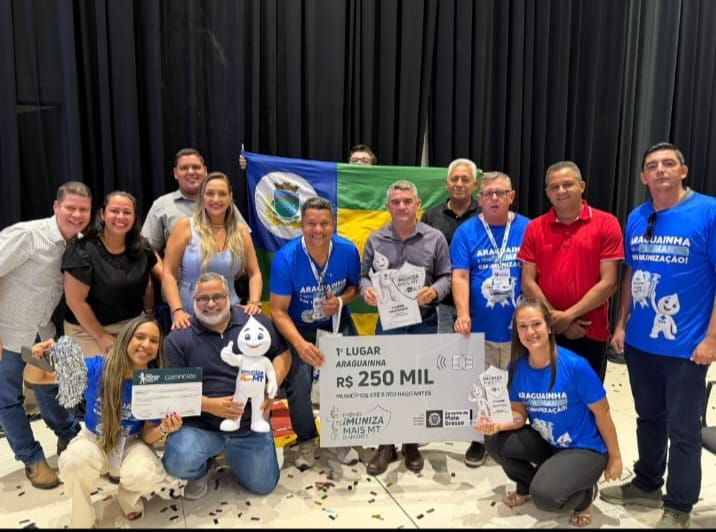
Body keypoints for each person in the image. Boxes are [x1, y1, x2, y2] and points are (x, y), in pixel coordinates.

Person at [600, 142, 716, 529]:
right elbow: (632, 274)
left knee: (683, 429)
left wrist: (712, 338)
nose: (660, 170)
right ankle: (647, 483)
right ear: (643, 176)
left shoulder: (708, 212)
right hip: (640, 343)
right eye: (652, 166)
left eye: (669, 163)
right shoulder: (638, 216)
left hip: (687, 347)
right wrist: (621, 324)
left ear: (683, 171)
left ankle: (679, 506)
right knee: (648, 418)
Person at [476, 297, 622, 527]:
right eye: (523, 326)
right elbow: (519, 415)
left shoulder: (575, 366)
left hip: (585, 448)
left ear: (549, 327)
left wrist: (615, 457)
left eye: (536, 324)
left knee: (545, 497)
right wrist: (498, 424)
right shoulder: (516, 367)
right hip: (549, 442)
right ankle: (527, 485)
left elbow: (603, 413)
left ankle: (585, 497)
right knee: (494, 441)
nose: (530, 332)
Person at [24, 316, 183, 527]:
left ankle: (128, 499)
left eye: (154, 341)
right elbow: (37, 378)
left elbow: (147, 435)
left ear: (157, 349)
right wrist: (36, 359)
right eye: (140, 337)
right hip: (94, 437)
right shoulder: (97, 367)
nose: (146, 344)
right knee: (73, 463)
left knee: (145, 473)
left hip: (130, 441)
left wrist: (163, 428)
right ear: (126, 339)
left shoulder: (154, 382)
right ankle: (82, 517)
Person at [162, 272, 291, 498]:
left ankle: (240, 453)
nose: (211, 304)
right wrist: (210, 405)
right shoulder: (178, 337)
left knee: (264, 485)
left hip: (249, 425)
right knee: (178, 460)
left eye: (218, 297)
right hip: (201, 426)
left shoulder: (255, 321)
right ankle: (202, 469)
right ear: (193, 301)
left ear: (229, 296)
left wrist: (272, 385)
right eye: (203, 298)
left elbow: (283, 354)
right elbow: (174, 391)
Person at [0, 181, 91, 489]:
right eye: (70, 208)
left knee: (51, 389)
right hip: (8, 335)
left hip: (42, 335)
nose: (76, 215)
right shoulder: (27, 235)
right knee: (8, 400)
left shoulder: (79, 243)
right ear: (56, 207)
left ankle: (68, 437)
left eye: (83, 209)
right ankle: (32, 460)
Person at [359, 180, 452, 475]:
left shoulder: (435, 238)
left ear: (418, 205)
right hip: (388, 324)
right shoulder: (375, 240)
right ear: (388, 206)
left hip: (424, 321)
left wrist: (434, 291)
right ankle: (386, 444)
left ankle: (411, 442)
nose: (402, 206)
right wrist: (366, 291)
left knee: (417, 383)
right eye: (396, 202)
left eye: (407, 201)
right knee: (387, 383)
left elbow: (447, 276)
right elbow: (363, 277)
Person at [269, 197, 361, 468]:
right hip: (298, 328)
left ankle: (340, 436)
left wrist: (341, 301)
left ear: (333, 224)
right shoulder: (286, 258)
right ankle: (306, 439)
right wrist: (300, 345)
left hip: (337, 323)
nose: (318, 230)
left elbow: (355, 287)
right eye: (311, 223)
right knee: (299, 383)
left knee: (347, 379)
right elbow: (278, 311)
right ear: (301, 225)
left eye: (324, 223)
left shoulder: (348, 250)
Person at [517, 161, 624, 382]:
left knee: (588, 397)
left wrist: (567, 317)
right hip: (545, 331)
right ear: (547, 192)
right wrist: (555, 320)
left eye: (567, 184)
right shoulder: (534, 227)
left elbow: (609, 283)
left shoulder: (606, 223)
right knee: (546, 396)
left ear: (581, 186)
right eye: (554, 187)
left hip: (590, 331)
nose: (561, 191)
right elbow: (527, 281)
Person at [451, 170, 530, 468]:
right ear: (479, 198)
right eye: (487, 194)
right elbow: (460, 275)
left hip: (519, 329)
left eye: (500, 193)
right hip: (480, 327)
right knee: (481, 385)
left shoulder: (528, 228)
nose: (494, 198)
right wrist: (462, 313)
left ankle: (516, 436)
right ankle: (480, 438)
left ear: (511, 196)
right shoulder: (466, 232)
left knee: (516, 383)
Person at [62, 191, 161, 357]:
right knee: (104, 371)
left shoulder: (142, 247)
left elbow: (147, 281)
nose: (120, 217)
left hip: (130, 326)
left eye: (127, 212)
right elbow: (75, 302)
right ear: (102, 214)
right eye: (114, 211)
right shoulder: (81, 250)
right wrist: (101, 336)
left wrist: (148, 315)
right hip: (87, 330)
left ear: (134, 217)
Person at [162, 172, 262, 330]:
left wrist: (254, 302)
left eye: (222, 194)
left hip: (229, 314)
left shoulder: (241, 231)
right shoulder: (185, 227)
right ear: (201, 197)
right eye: (210, 194)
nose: (216, 199)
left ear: (230, 198)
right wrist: (177, 311)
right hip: (189, 316)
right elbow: (168, 273)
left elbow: (255, 273)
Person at [142, 148, 250, 253]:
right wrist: (164, 266)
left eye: (196, 167)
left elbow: (245, 241)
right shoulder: (162, 205)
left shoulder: (222, 203)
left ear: (205, 171)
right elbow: (147, 249)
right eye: (184, 168)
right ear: (175, 173)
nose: (190, 172)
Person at [421, 157, 480, 334]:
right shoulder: (430, 216)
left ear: (475, 185)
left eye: (465, 179)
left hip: (477, 302)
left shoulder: (485, 216)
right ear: (447, 184)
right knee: (443, 351)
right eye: (454, 179)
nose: (459, 184)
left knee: (476, 351)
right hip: (441, 303)